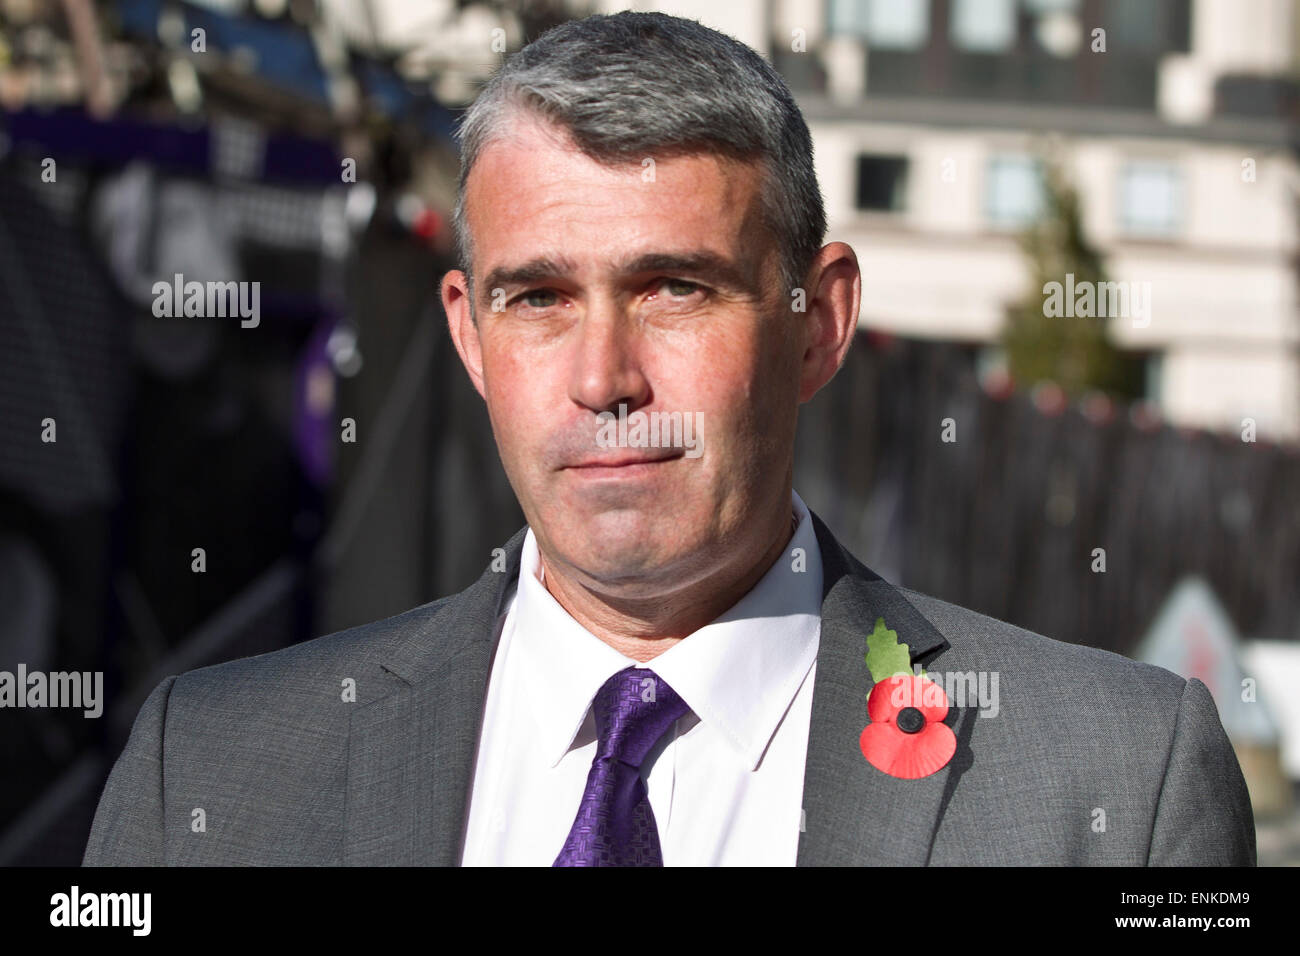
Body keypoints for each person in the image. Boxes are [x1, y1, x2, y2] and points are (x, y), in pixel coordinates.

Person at [83, 11, 1255, 866]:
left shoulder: (1114, 788)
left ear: (818, 321)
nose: (603, 378)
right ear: (469, 335)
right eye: (536, 297)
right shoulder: (211, 774)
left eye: (674, 289)